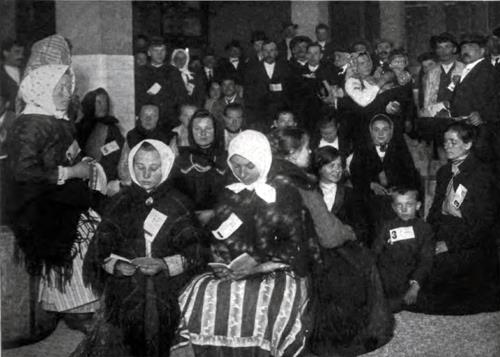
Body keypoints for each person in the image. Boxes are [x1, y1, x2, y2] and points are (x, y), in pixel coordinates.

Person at [171, 130, 312, 357]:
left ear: (262, 160)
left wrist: (257, 263)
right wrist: (220, 260)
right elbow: (215, 234)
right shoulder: (230, 193)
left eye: (248, 166)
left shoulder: (284, 192)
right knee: (196, 293)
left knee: (264, 300)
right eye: (236, 166)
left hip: (275, 268)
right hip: (235, 270)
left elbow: (295, 243)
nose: (242, 173)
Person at [73, 139, 208, 357]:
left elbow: (197, 252)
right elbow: (98, 252)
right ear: (131, 167)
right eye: (140, 167)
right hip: (127, 285)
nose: (146, 175)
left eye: (153, 169)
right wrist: (116, 266)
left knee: (162, 318)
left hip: (170, 285)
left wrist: (164, 264)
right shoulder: (119, 203)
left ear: (164, 168)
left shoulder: (178, 203)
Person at [267, 128, 393, 356]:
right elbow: (329, 235)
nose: (310, 151)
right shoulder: (302, 184)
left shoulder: (270, 177)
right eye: (306, 148)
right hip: (306, 255)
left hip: (275, 250)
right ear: (293, 154)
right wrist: (349, 233)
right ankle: (361, 333)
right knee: (362, 262)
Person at [6, 64, 102, 330]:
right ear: (41, 90)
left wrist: (85, 166)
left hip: (56, 193)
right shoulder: (30, 124)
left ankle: (80, 304)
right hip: (32, 200)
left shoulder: (58, 119)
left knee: (96, 222)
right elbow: (23, 171)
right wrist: (71, 172)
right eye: (57, 88)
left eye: (66, 88)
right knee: (81, 233)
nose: (64, 93)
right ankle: (75, 309)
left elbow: (70, 153)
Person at [415, 122, 500, 314]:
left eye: (453, 142)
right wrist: (426, 237)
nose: (447, 146)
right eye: (445, 141)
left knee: (435, 273)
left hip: (470, 242)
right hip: (444, 232)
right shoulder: (444, 172)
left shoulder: (482, 176)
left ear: (468, 144)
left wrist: (449, 245)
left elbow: (483, 226)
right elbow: (435, 211)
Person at [350, 114, 421, 241]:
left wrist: (399, 190)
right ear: (371, 132)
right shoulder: (362, 149)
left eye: (385, 129)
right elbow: (355, 175)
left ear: (391, 132)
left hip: (396, 197)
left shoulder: (400, 148)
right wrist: (370, 185)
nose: (381, 133)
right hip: (371, 199)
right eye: (376, 130)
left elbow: (411, 175)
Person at [372, 187, 434, 312]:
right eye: (399, 205)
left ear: (417, 206)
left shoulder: (424, 229)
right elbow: (375, 251)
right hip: (387, 274)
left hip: (410, 276)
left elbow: (426, 259)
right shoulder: (387, 226)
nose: (404, 209)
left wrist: (415, 287)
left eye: (409, 205)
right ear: (394, 207)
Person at [450, 33, 499, 164]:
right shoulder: (468, 69)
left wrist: (483, 115)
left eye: (471, 47)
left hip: (482, 133)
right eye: (464, 47)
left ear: (482, 51)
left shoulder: (489, 71)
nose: (465, 51)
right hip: (466, 130)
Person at [171, 110, 227, 222]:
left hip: (221, 218)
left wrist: (214, 212)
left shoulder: (226, 158)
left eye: (208, 128)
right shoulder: (181, 160)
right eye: (197, 129)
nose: (203, 133)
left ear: (216, 131)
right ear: (191, 132)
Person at [313, 146, 369, 243]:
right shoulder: (311, 192)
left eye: (339, 165)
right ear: (319, 168)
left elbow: (361, 228)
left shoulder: (350, 194)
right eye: (331, 166)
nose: (337, 170)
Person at [78, 88, 124, 185]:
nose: (103, 106)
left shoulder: (111, 128)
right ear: (90, 104)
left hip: (103, 179)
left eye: (105, 102)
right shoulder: (80, 126)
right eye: (98, 102)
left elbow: (116, 151)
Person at [244, 40, 291, 131]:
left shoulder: (286, 68)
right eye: (266, 51)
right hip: (260, 115)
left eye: (272, 50)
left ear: (276, 52)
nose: (269, 53)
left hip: (281, 115)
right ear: (261, 52)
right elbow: (249, 96)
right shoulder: (251, 70)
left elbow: (289, 94)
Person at [420, 33, 464, 118]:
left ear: (454, 49)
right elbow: (427, 100)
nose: (443, 51)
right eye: (439, 47)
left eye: (447, 47)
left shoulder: (464, 69)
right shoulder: (431, 72)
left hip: (457, 116)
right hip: (435, 116)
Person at [135, 37, 173, 131]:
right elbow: (139, 97)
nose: (160, 54)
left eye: (162, 50)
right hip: (148, 121)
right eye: (156, 51)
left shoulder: (173, 71)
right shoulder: (141, 72)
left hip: (168, 121)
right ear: (149, 52)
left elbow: (179, 96)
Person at [167, 49, 206, 118]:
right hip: (174, 113)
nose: (180, 60)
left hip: (193, 112)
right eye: (177, 58)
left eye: (183, 58)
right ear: (173, 59)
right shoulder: (167, 74)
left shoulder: (194, 75)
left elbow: (200, 95)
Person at [1, 38, 24, 111]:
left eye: (22, 53)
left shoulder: (27, 71)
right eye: (17, 52)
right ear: (6, 53)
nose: (21, 56)